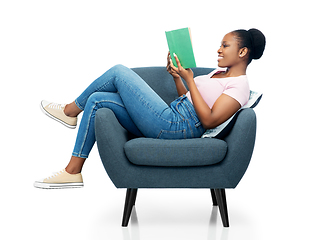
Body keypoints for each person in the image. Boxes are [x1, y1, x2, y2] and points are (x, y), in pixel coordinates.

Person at [34, 28, 266, 189]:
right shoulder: (219, 74)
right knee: (97, 100)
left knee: (118, 71)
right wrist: (178, 77)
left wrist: (192, 80)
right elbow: (188, 99)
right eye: (220, 45)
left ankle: (69, 111)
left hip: (178, 127)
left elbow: (208, 120)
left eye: (225, 45)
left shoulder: (240, 86)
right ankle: (73, 171)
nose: (219, 50)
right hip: (174, 116)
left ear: (243, 52)